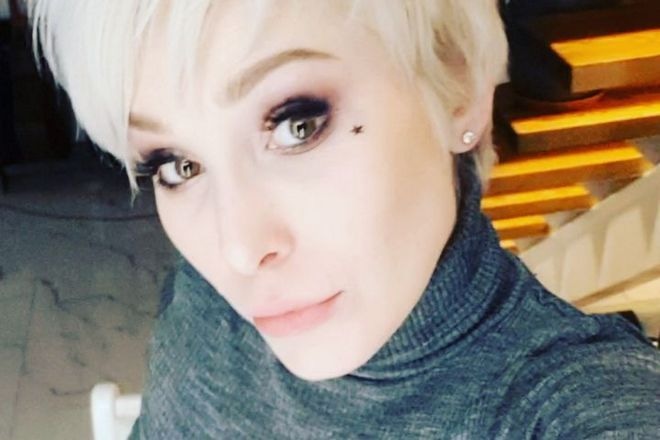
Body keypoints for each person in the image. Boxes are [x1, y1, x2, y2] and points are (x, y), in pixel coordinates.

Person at [28, 1, 660, 438]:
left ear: (460, 89)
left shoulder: (570, 403)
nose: (238, 248)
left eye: (297, 125)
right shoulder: (203, 301)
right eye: (178, 165)